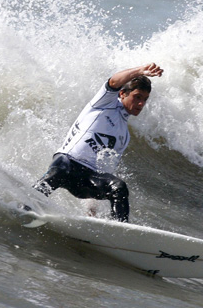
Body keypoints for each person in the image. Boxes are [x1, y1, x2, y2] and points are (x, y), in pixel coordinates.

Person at [33, 63, 164, 222]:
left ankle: (119, 231)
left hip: (87, 179)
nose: (141, 104)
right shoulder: (104, 103)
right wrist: (139, 71)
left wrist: (91, 209)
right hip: (67, 163)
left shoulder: (124, 135)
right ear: (122, 94)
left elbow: (104, 168)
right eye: (137, 97)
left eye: (145, 99)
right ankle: (27, 203)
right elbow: (114, 82)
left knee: (119, 187)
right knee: (60, 170)